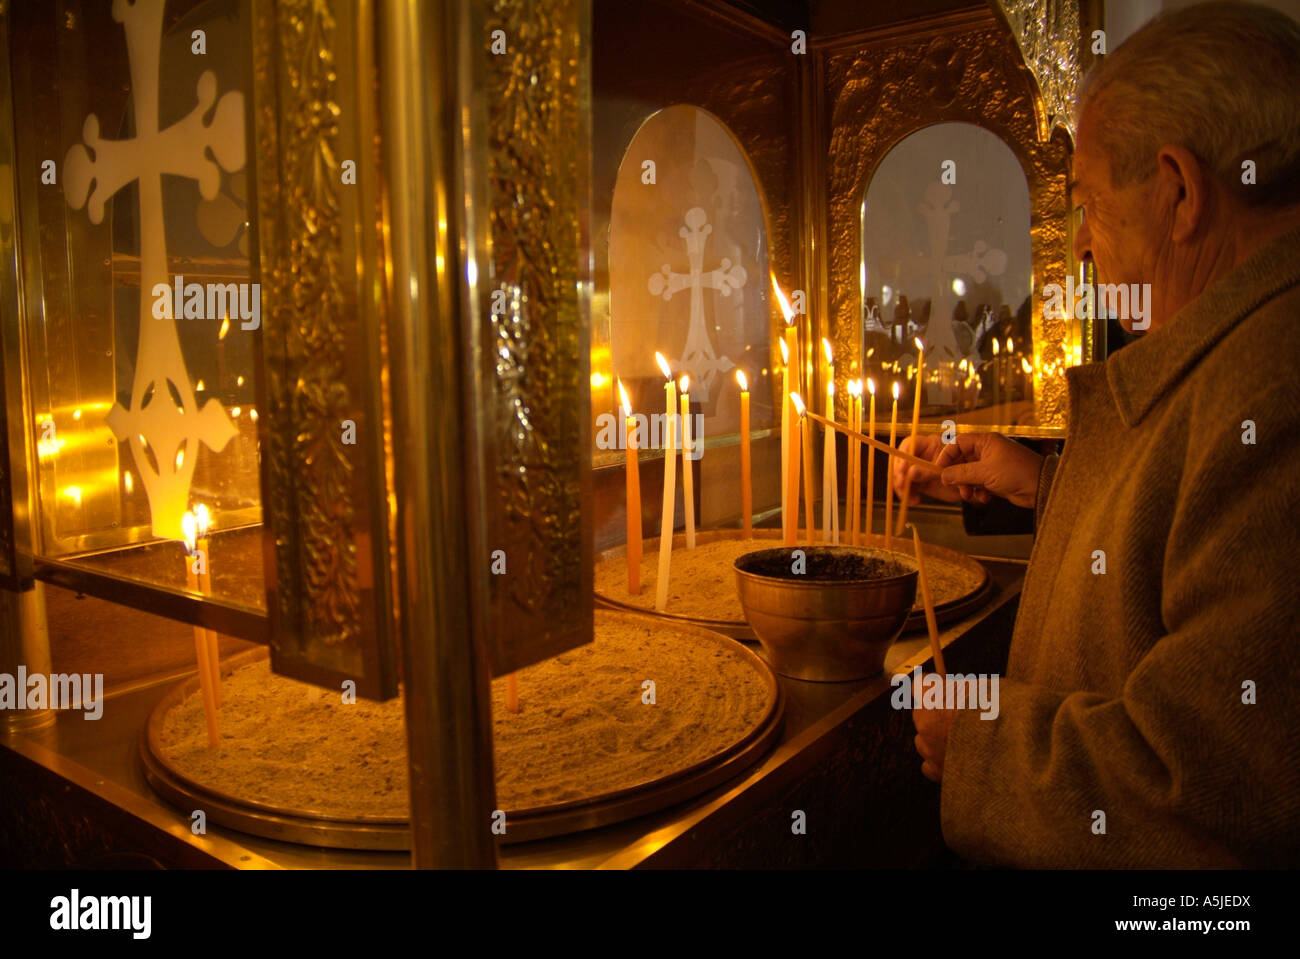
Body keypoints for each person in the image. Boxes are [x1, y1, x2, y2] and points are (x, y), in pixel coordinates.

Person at [892, 1, 1300, 867]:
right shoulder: (1233, 348)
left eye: (1086, 205)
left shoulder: (1277, 384)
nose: (1080, 246)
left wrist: (985, 742)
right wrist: (1041, 484)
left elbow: (1219, 787)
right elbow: (1188, 541)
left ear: (1179, 192)